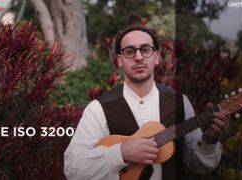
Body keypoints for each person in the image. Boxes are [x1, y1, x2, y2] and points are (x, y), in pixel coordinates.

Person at [64, 15, 230, 180]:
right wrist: (121, 153)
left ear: (156, 57)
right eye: (130, 51)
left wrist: (209, 140)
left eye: (145, 49)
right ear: (120, 61)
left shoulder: (180, 103)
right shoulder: (98, 109)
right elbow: (72, 168)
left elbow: (200, 166)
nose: (138, 57)